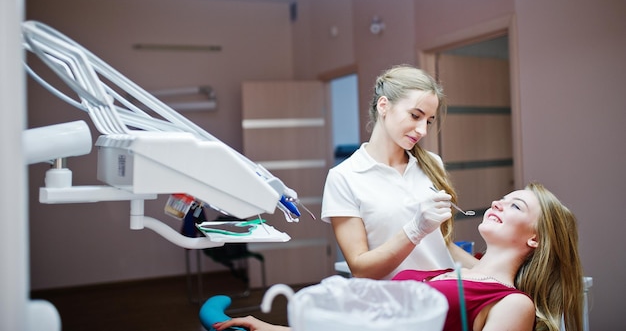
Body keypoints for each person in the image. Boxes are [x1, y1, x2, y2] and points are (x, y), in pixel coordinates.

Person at [212, 183, 584, 331]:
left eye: (516, 204)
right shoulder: (440, 272)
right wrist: (276, 329)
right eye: (504, 197)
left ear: (535, 239)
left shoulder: (512, 303)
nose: (499, 202)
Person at [321, 64, 475, 280]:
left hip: (443, 296)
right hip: (392, 305)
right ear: (383, 106)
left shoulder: (432, 163)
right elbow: (360, 268)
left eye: (429, 121)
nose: (422, 131)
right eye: (415, 116)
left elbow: (441, 246)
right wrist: (415, 229)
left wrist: (496, 275)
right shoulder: (344, 177)